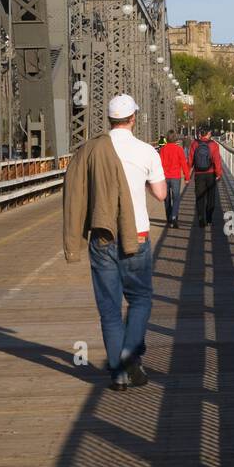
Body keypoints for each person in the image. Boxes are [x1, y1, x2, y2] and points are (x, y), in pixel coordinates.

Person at [63, 94, 166, 390]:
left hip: (102, 235)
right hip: (138, 236)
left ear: (109, 119)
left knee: (109, 308)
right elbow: (160, 194)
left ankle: (118, 374)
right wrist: (142, 181)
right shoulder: (146, 151)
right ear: (133, 118)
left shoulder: (91, 150)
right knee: (140, 299)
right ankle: (128, 356)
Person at [189, 125, 222, 227]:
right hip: (210, 173)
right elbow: (217, 160)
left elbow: (190, 160)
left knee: (200, 197)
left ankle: (201, 219)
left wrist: (187, 173)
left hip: (199, 174)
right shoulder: (214, 145)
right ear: (208, 134)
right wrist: (218, 174)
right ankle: (209, 218)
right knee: (211, 197)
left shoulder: (194, 144)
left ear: (200, 134)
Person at [158, 128, 190, 228]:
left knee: (166, 199)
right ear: (176, 138)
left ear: (167, 138)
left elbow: (159, 164)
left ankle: (168, 218)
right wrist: (187, 177)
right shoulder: (179, 149)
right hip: (176, 177)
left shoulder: (162, 149)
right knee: (176, 198)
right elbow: (184, 164)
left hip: (165, 177)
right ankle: (174, 217)